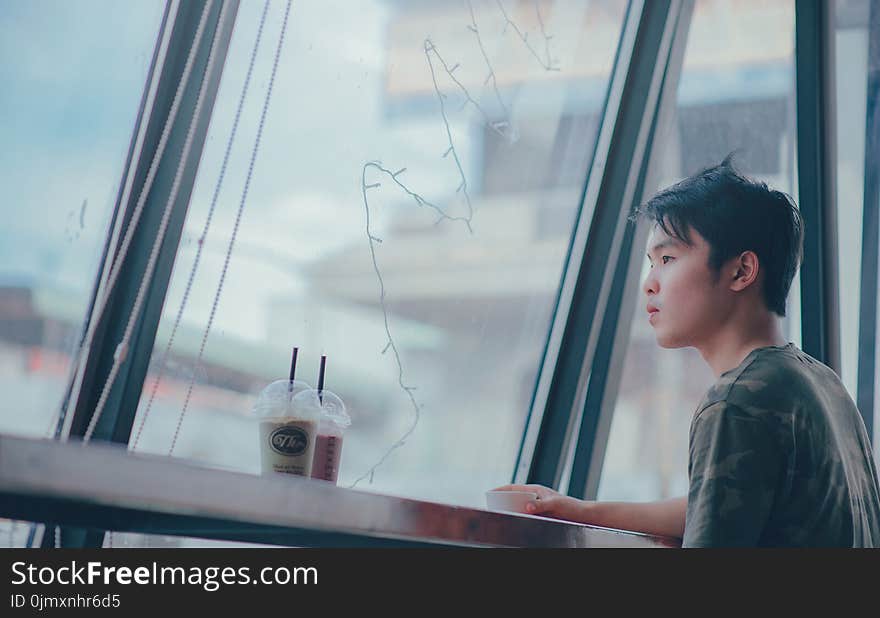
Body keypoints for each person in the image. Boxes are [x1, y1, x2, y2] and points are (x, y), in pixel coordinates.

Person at [496, 156, 880, 547]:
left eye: (667, 259)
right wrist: (581, 511)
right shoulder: (818, 382)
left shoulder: (737, 401)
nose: (649, 283)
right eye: (651, 264)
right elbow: (720, 502)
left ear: (741, 271)